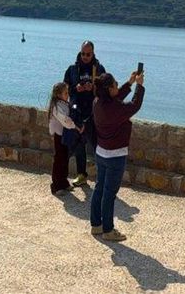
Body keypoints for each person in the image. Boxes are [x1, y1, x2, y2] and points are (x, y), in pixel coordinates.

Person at [90, 71, 145, 242]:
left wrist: (129, 83)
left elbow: (115, 98)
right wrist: (140, 86)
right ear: (109, 88)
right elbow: (134, 106)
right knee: (109, 193)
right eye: (115, 84)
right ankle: (108, 230)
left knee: (99, 188)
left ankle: (96, 225)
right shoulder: (114, 108)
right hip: (115, 156)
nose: (117, 85)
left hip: (101, 153)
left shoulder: (97, 102)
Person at [63, 40, 106, 187]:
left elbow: (105, 90)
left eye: (88, 54)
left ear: (93, 53)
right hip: (77, 112)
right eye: (83, 53)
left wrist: (93, 87)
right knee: (78, 145)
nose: (85, 56)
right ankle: (81, 174)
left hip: (94, 113)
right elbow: (65, 89)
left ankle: (102, 176)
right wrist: (76, 88)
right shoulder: (72, 69)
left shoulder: (99, 69)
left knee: (96, 145)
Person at [47, 82, 84, 195]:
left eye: (67, 92)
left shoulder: (63, 103)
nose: (67, 95)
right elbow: (65, 120)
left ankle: (64, 183)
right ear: (58, 94)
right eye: (65, 93)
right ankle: (56, 186)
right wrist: (76, 127)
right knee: (59, 160)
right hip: (59, 135)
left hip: (64, 135)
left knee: (64, 159)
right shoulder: (56, 107)